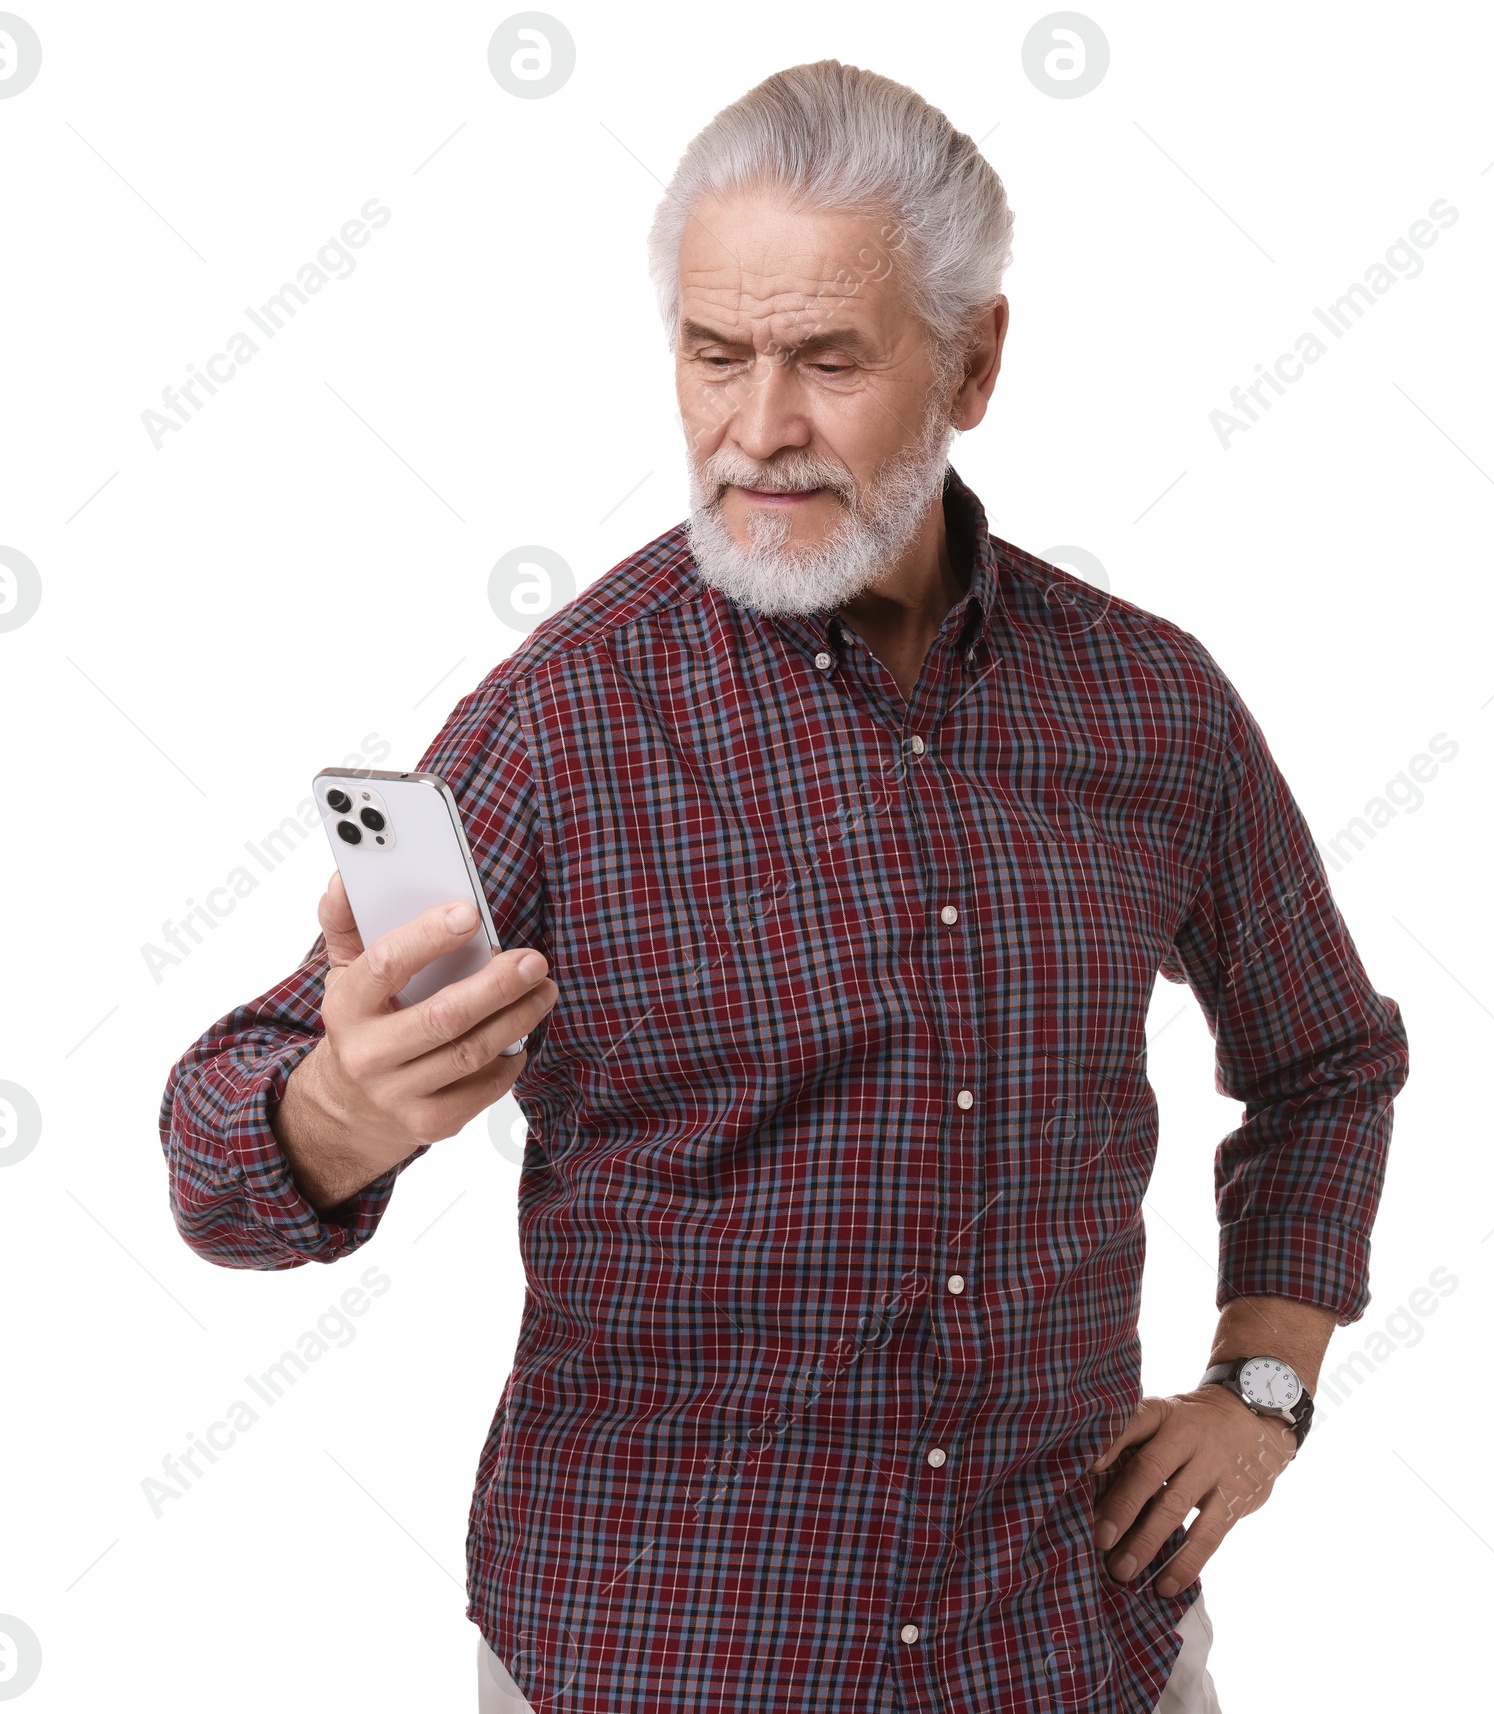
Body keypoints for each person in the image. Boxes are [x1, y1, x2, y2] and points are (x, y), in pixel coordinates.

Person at [160, 59, 1408, 1714]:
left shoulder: (1148, 705)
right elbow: (212, 1146)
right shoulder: (569, 713)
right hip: (663, 1658)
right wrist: (335, 1105)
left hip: (1062, 1650)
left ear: (974, 363)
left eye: (828, 359)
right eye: (714, 353)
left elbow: (1326, 1061)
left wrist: (1265, 1384)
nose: (759, 428)